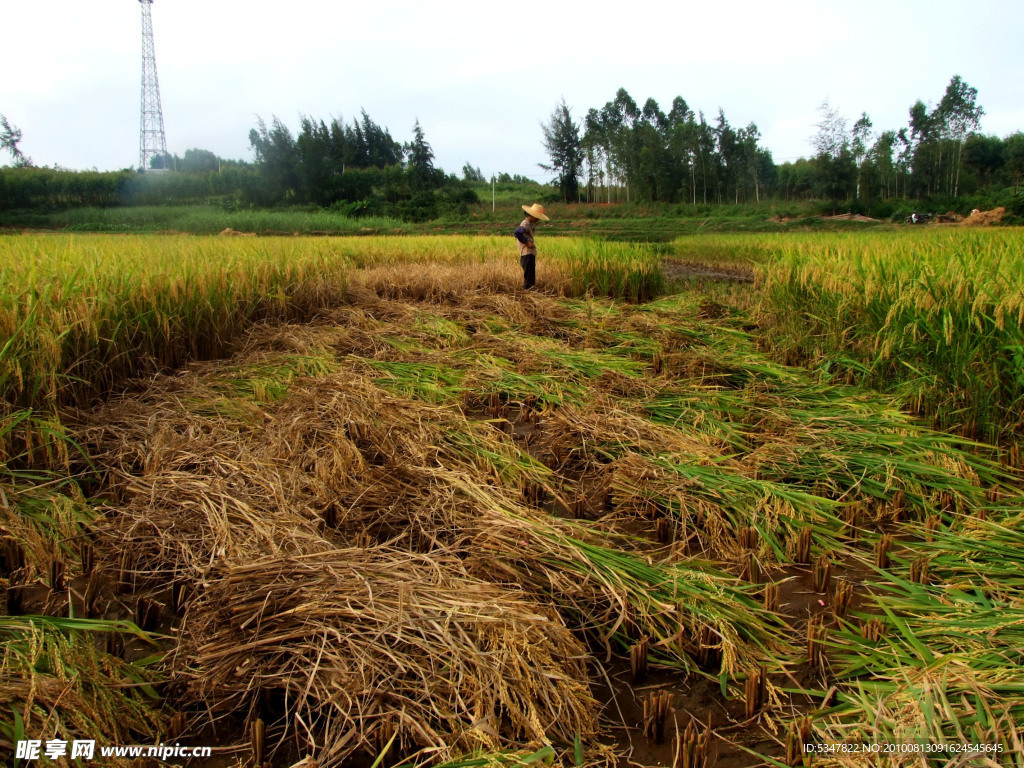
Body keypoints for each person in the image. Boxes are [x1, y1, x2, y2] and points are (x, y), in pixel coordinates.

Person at [513, 203, 549, 290]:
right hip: (527, 252)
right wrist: (526, 242)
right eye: (537, 217)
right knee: (529, 274)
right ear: (532, 216)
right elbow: (517, 232)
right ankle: (527, 290)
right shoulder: (526, 223)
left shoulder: (530, 223)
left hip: (530, 252)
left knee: (531, 273)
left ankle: (530, 290)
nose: (538, 219)